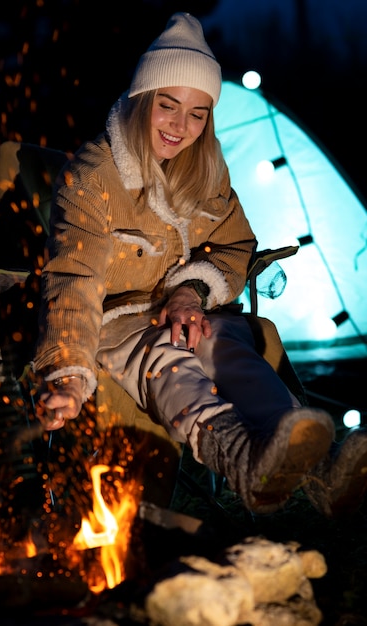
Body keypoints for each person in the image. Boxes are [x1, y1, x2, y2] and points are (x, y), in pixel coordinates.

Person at [31, 12, 367, 517]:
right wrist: (69, 376)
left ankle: (315, 466)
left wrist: (193, 292)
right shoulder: (94, 177)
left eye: (198, 114)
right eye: (167, 106)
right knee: (170, 362)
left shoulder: (205, 168)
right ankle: (241, 456)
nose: (180, 127)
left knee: (228, 347)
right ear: (141, 100)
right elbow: (74, 280)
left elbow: (235, 245)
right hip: (115, 324)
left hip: (181, 308)